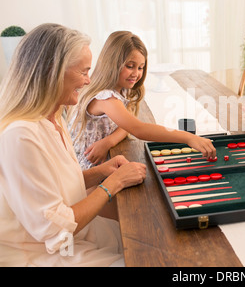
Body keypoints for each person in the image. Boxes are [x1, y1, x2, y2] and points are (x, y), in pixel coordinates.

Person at [0, 23, 147, 266]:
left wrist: (102, 171)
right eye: (83, 72)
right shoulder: (20, 136)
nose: (88, 80)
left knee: (144, 239)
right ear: (52, 71)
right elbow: (52, 227)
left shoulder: (53, 117)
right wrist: (114, 182)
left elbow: (55, 186)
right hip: (45, 252)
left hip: (78, 236)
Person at [68, 31, 216, 170]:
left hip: (105, 159)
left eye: (141, 67)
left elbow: (127, 124)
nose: (136, 73)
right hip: (88, 168)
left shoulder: (122, 88)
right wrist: (188, 137)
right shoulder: (105, 98)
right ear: (111, 63)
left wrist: (109, 141)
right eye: (130, 66)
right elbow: (138, 129)